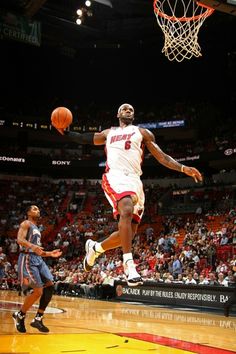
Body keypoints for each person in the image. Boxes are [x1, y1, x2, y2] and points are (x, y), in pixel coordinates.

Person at [53, 103, 202, 286]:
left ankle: (95, 248)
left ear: (134, 115)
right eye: (124, 109)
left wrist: (183, 167)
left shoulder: (143, 133)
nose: (128, 110)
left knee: (128, 235)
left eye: (131, 109)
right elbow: (85, 139)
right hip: (114, 176)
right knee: (126, 209)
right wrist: (66, 132)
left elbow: (161, 156)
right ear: (118, 114)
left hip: (135, 181)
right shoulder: (109, 133)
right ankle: (129, 265)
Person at [12, 205, 62, 333]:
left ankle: (38, 319)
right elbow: (19, 240)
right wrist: (32, 247)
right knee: (38, 291)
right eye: (34, 209)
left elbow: (38, 250)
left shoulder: (37, 229)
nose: (37, 210)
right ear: (28, 212)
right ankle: (20, 315)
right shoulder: (26, 223)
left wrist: (50, 253)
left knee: (50, 285)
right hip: (27, 258)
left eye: (38, 209)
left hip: (37, 259)